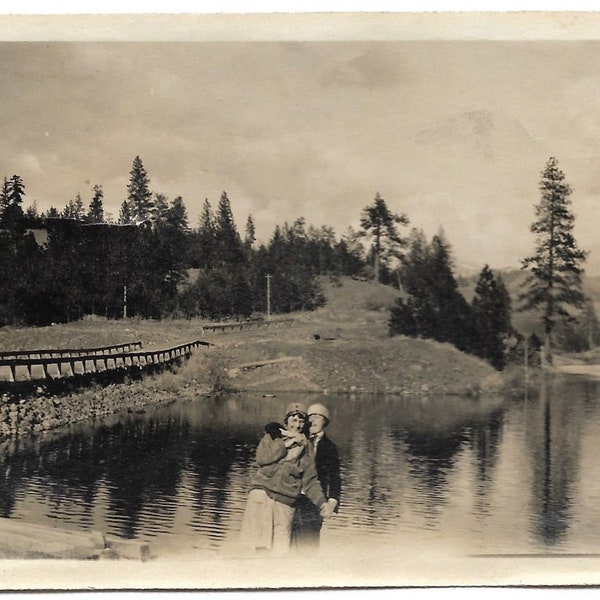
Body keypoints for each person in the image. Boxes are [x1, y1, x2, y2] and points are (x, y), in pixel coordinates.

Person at [239, 402, 331, 557]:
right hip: (261, 496)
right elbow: (262, 458)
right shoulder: (272, 437)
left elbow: (310, 480)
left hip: (285, 501)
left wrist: (323, 503)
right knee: (259, 549)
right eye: (294, 420)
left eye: (302, 421)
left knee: (280, 553)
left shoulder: (306, 447)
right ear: (286, 422)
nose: (298, 425)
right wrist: (287, 443)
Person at [291, 402, 341, 553]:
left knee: (309, 544)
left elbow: (335, 477)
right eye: (310, 417)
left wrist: (331, 502)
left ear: (324, 421)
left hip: (314, 502)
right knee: (288, 542)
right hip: (292, 497)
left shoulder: (330, 447)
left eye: (317, 417)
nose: (312, 420)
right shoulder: (297, 440)